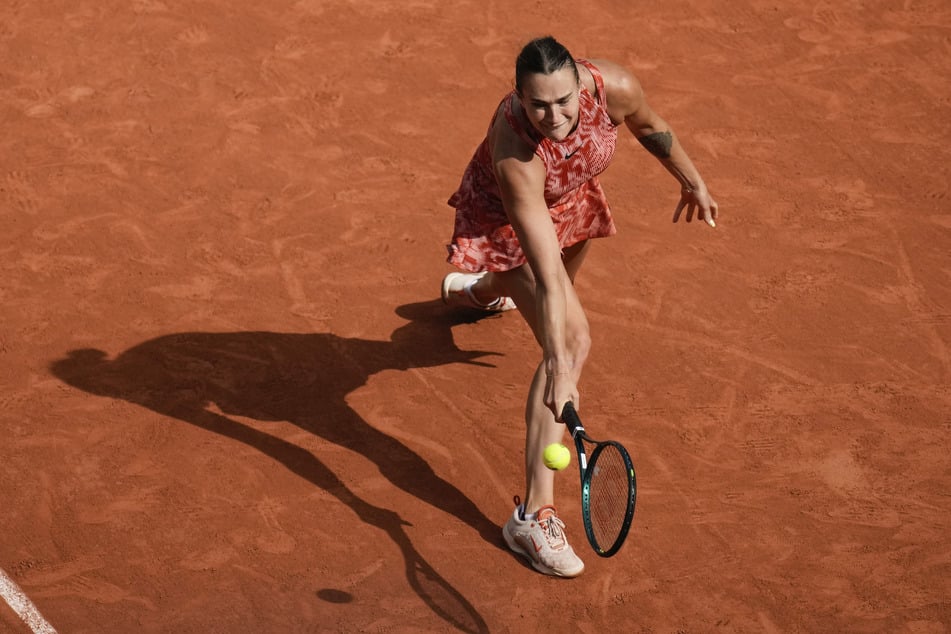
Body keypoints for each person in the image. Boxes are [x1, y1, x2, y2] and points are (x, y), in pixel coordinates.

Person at [441, 36, 719, 577]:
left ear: (581, 83)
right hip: (513, 222)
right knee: (569, 337)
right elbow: (546, 277)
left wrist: (693, 181)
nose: (555, 115)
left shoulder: (612, 85)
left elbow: (648, 125)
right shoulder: (516, 156)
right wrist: (561, 370)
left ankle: (479, 290)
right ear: (519, 97)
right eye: (539, 104)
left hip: (570, 199)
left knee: (544, 311)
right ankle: (532, 516)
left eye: (564, 100)